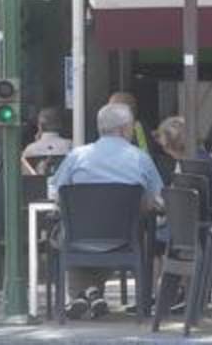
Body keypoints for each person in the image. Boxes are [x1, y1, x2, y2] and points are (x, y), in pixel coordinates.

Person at [50, 102, 163, 320]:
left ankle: (83, 295)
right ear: (123, 129)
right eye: (131, 127)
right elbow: (155, 199)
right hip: (126, 238)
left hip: (78, 238)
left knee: (69, 233)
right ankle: (90, 294)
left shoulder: (77, 156)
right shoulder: (140, 158)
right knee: (115, 234)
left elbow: (58, 193)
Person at [21, 106, 72, 174]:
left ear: (40, 126)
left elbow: (26, 174)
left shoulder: (30, 149)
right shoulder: (70, 145)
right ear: (60, 124)